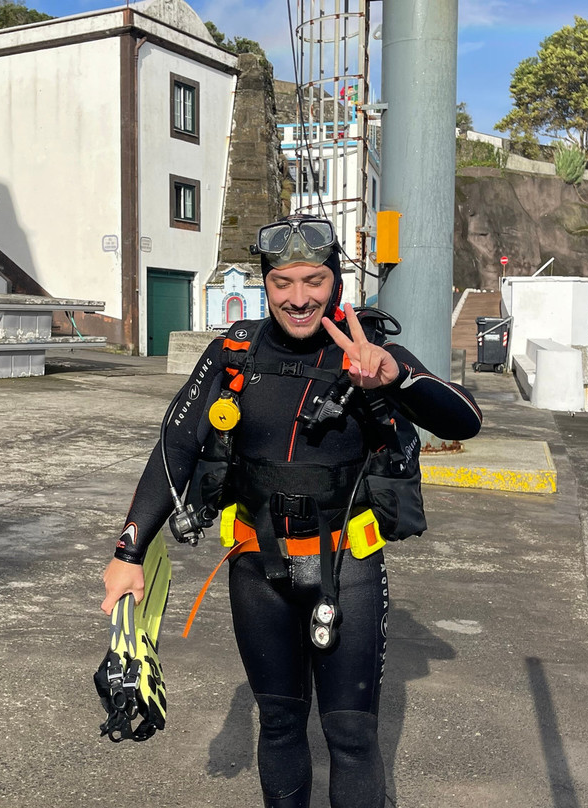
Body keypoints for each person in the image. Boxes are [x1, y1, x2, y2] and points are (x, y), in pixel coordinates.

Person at [101, 214, 483, 808]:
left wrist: (396, 376)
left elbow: (466, 420)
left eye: (313, 281)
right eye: (283, 283)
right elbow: (175, 446)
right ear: (265, 283)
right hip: (256, 569)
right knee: (278, 725)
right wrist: (128, 551)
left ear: (334, 281)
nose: (299, 298)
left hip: (347, 566)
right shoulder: (233, 352)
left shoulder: (368, 353)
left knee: (351, 734)